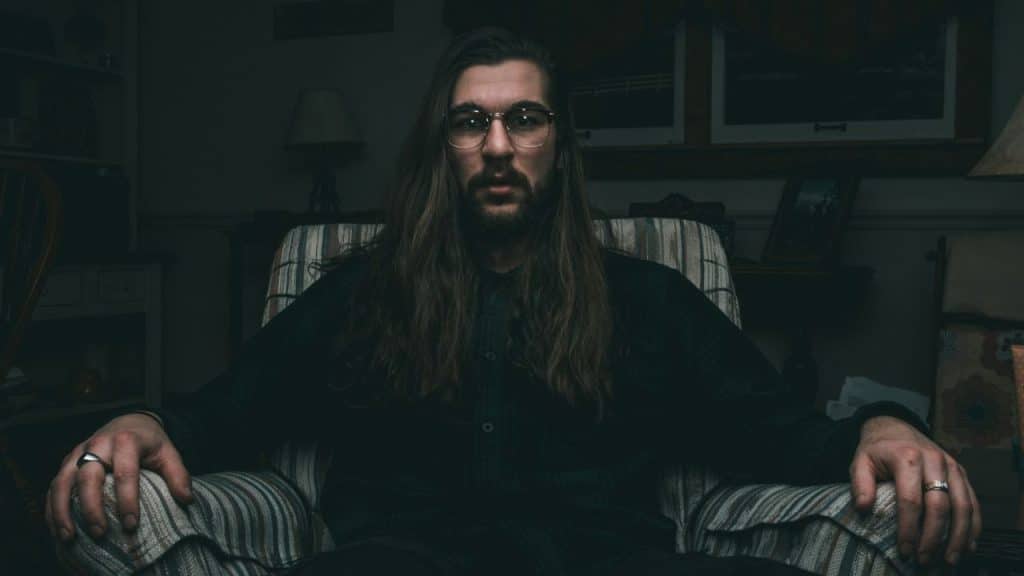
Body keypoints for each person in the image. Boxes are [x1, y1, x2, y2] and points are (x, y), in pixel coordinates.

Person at [46, 27, 980, 575]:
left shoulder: (650, 300)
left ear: (558, 148)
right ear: (444, 150)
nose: (498, 145)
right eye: (471, 122)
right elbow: (227, 410)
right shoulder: (363, 296)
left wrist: (886, 429)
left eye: (524, 119)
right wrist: (141, 422)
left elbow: (783, 432)